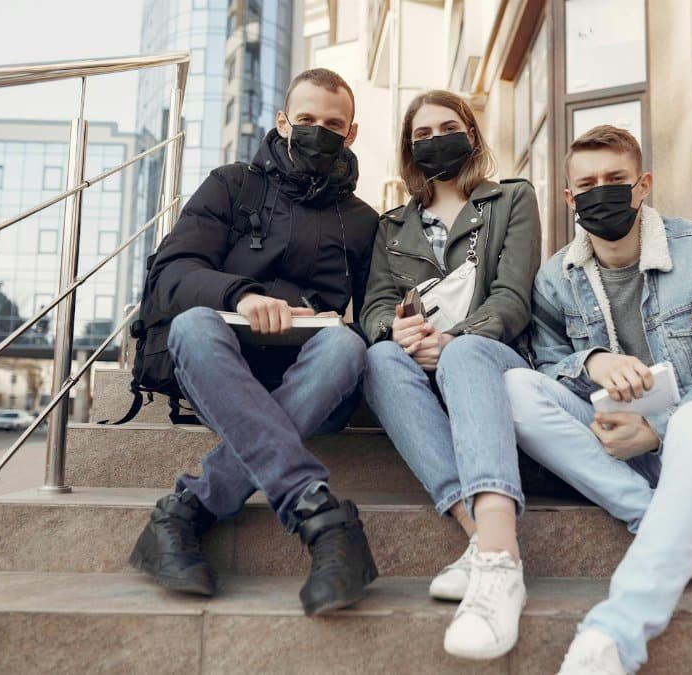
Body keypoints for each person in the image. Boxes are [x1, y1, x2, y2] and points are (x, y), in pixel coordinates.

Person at [502, 126, 692, 674]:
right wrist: (590, 361)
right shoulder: (553, 278)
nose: (601, 192)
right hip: (620, 450)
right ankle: (655, 515)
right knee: (514, 386)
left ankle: (613, 636)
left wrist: (661, 425)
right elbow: (544, 362)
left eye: (616, 179)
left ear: (643, 185)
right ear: (569, 198)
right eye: (586, 184)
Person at [128, 68, 381, 616]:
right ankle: (319, 516)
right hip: (224, 375)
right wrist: (239, 296)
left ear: (352, 133)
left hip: (311, 382)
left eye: (332, 124)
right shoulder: (231, 183)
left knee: (347, 347)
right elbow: (169, 274)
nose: (318, 131)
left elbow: (374, 311)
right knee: (194, 323)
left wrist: (340, 322)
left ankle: (186, 510)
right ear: (283, 121)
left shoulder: (363, 222)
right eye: (306, 120)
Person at [360, 90, 541, 660]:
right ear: (410, 149)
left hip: (490, 357)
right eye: (421, 134)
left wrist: (455, 340)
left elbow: (512, 298)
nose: (435, 139)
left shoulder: (512, 199)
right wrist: (395, 329)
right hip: (418, 364)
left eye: (447, 126)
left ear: (470, 131)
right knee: (376, 357)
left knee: (462, 357)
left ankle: (497, 557)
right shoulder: (391, 226)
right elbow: (373, 307)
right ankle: (482, 539)